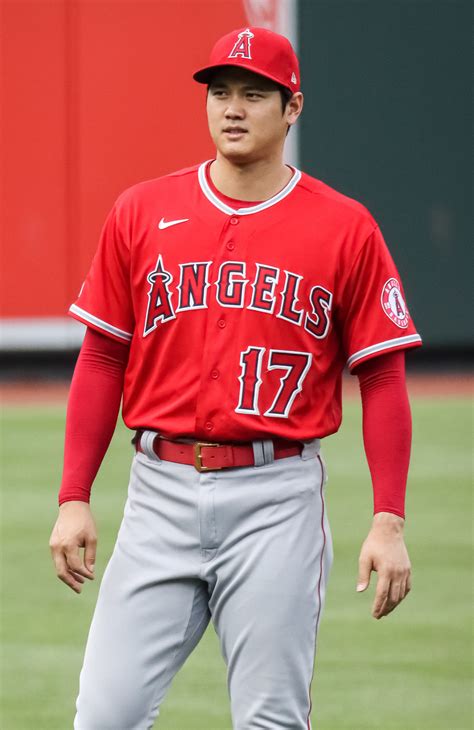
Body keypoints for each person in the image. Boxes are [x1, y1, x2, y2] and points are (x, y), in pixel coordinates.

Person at [49, 26, 421, 730]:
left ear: (293, 108)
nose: (233, 108)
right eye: (220, 92)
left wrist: (388, 518)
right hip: (158, 494)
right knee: (103, 716)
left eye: (254, 94)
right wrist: (74, 497)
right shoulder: (140, 211)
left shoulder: (345, 227)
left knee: (270, 721)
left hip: (276, 499)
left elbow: (382, 376)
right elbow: (101, 357)